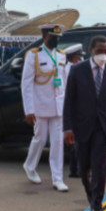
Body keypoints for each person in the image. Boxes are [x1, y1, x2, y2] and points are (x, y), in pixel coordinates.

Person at [63, 36, 106, 211]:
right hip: (81, 127)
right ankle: (90, 193)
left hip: (103, 128)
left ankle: (97, 206)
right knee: (84, 168)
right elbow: (69, 101)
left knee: (99, 167)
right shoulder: (77, 70)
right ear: (91, 51)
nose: (103, 54)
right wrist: (68, 128)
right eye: (99, 51)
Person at [22, 24, 69, 192]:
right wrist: (29, 109)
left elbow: (65, 81)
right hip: (40, 105)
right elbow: (26, 83)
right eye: (53, 37)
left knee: (57, 142)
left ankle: (57, 178)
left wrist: (67, 104)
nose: (56, 40)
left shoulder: (62, 56)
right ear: (44, 36)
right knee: (40, 138)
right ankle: (29, 165)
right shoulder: (34, 55)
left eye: (58, 38)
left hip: (58, 105)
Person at [64, 44, 85, 178]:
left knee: (76, 141)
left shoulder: (71, 68)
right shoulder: (71, 70)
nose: (81, 60)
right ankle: (76, 169)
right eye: (79, 57)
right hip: (75, 108)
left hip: (75, 107)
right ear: (75, 58)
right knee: (77, 140)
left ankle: (75, 168)